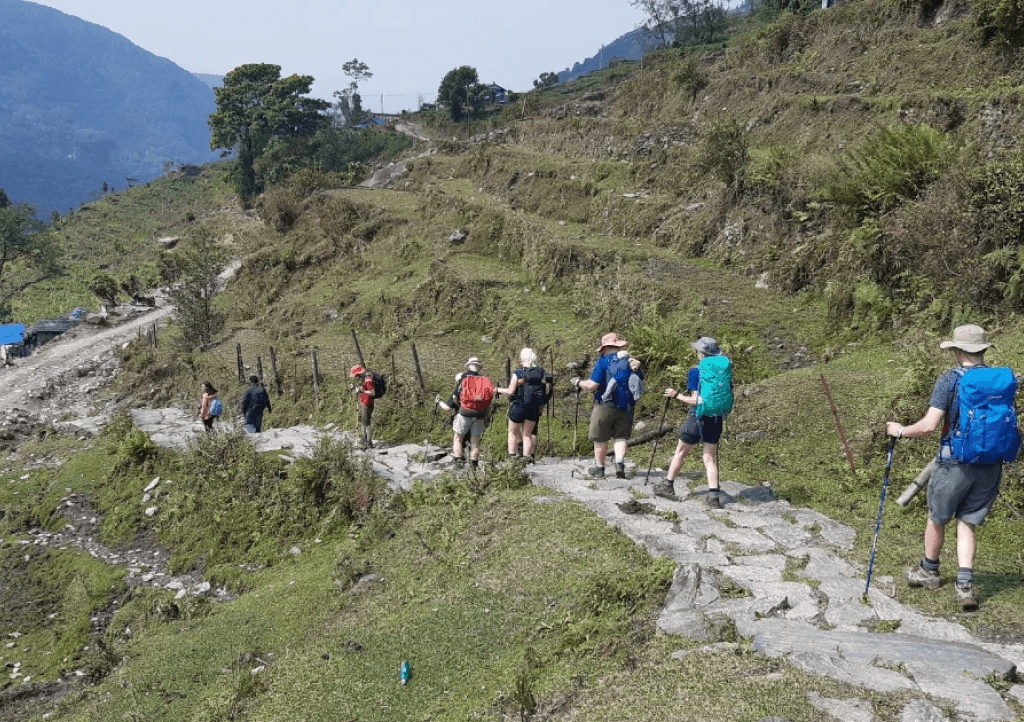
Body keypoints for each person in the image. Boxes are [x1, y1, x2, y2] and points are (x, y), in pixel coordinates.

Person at [886, 324, 1018, 612]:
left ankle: (929, 571)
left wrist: (900, 430)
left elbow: (930, 425)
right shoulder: (999, 380)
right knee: (967, 521)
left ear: (958, 352)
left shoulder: (950, 380)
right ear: (983, 350)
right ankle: (965, 585)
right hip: (991, 464)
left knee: (937, 517)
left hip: (954, 462)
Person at [653, 337, 730, 506]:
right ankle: (714, 497)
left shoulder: (696, 371)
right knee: (709, 458)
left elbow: (697, 400)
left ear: (701, 354)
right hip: (716, 420)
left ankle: (667, 485)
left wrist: (676, 395)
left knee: (681, 452)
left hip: (697, 418)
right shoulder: (722, 372)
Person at [570, 332, 644, 479]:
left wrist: (578, 382)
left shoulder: (603, 362)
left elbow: (592, 385)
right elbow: (640, 379)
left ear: (605, 347)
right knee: (621, 437)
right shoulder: (631, 361)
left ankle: (599, 469)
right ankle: (620, 466)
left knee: (600, 438)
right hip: (627, 405)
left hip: (605, 405)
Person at [436, 357, 494, 469]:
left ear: (468, 367)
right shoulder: (484, 380)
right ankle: (474, 466)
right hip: (480, 414)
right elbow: (488, 402)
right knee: (475, 442)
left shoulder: (463, 378)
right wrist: (487, 418)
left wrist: (439, 401)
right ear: (479, 368)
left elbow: (449, 406)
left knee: (458, 438)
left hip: (465, 414)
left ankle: (458, 463)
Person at [496, 347, 551, 463]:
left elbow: (510, 391)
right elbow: (546, 390)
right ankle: (527, 459)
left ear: (522, 359)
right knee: (527, 434)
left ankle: (512, 457)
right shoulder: (541, 372)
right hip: (533, 408)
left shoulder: (519, 373)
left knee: (512, 432)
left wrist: (498, 390)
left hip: (519, 406)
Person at [349, 365, 376, 448]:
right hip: (363, 402)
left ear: (358, 373)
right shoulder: (362, 378)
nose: (355, 377)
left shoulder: (368, 379)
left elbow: (372, 392)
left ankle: (369, 442)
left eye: (355, 375)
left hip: (368, 403)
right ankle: (364, 438)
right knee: (361, 419)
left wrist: (362, 390)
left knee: (367, 422)